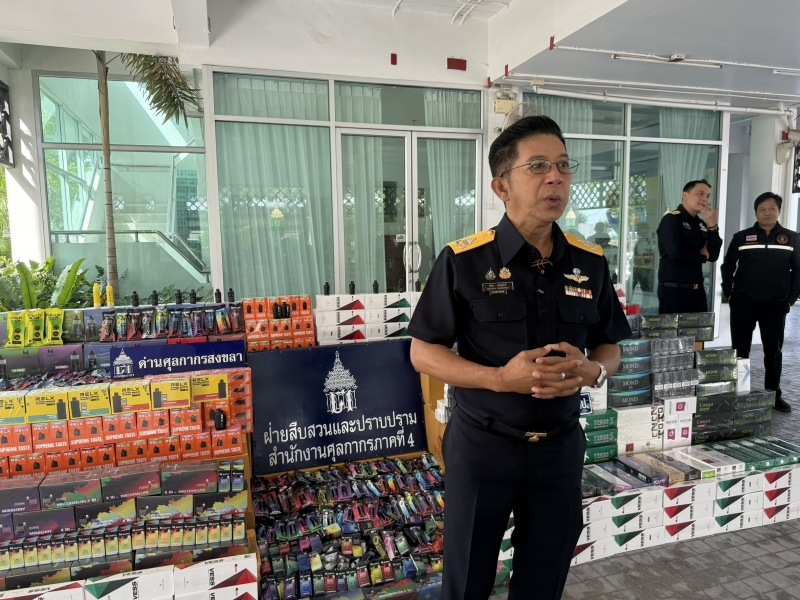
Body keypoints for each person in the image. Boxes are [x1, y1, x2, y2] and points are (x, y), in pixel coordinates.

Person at [407, 116, 630, 600]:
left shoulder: (590, 263)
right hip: (483, 448)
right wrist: (497, 379)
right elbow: (423, 352)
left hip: (559, 449)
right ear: (501, 186)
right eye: (538, 166)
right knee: (467, 583)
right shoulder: (465, 260)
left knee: (543, 583)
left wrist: (594, 371)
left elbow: (610, 346)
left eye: (564, 166)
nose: (556, 178)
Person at [721, 192, 800, 413]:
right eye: (762, 209)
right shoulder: (742, 237)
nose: (767, 213)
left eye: (772, 209)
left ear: (779, 211)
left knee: (773, 351)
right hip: (743, 303)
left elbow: (798, 271)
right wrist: (729, 294)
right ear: (755, 212)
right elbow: (728, 266)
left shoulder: (792, 238)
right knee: (740, 350)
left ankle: (773, 395)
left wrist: (790, 299)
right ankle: (740, 392)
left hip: (775, 305)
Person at [656, 179, 722, 313]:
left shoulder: (701, 224)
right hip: (674, 290)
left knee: (700, 327)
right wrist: (701, 256)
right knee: (673, 327)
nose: (705, 199)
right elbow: (675, 253)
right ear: (685, 195)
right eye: (700, 194)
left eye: (707, 196)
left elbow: (713, 255)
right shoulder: (671, 219)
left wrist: (712, 226)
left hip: (697, 290)